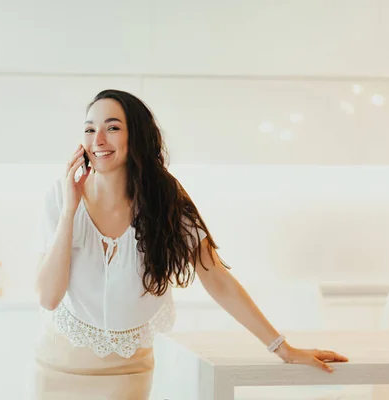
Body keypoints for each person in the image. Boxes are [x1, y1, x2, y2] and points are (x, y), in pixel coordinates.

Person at [32, 89, 348, 399]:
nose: (97, 139)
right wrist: (70, 210)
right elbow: (48, 297)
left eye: (112, 127)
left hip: (127, 378)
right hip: (58, 371)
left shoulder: (164, 198)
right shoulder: (61, 197)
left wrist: (284, 349)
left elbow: (216, 277)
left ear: (137, 136)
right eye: (90, 129)